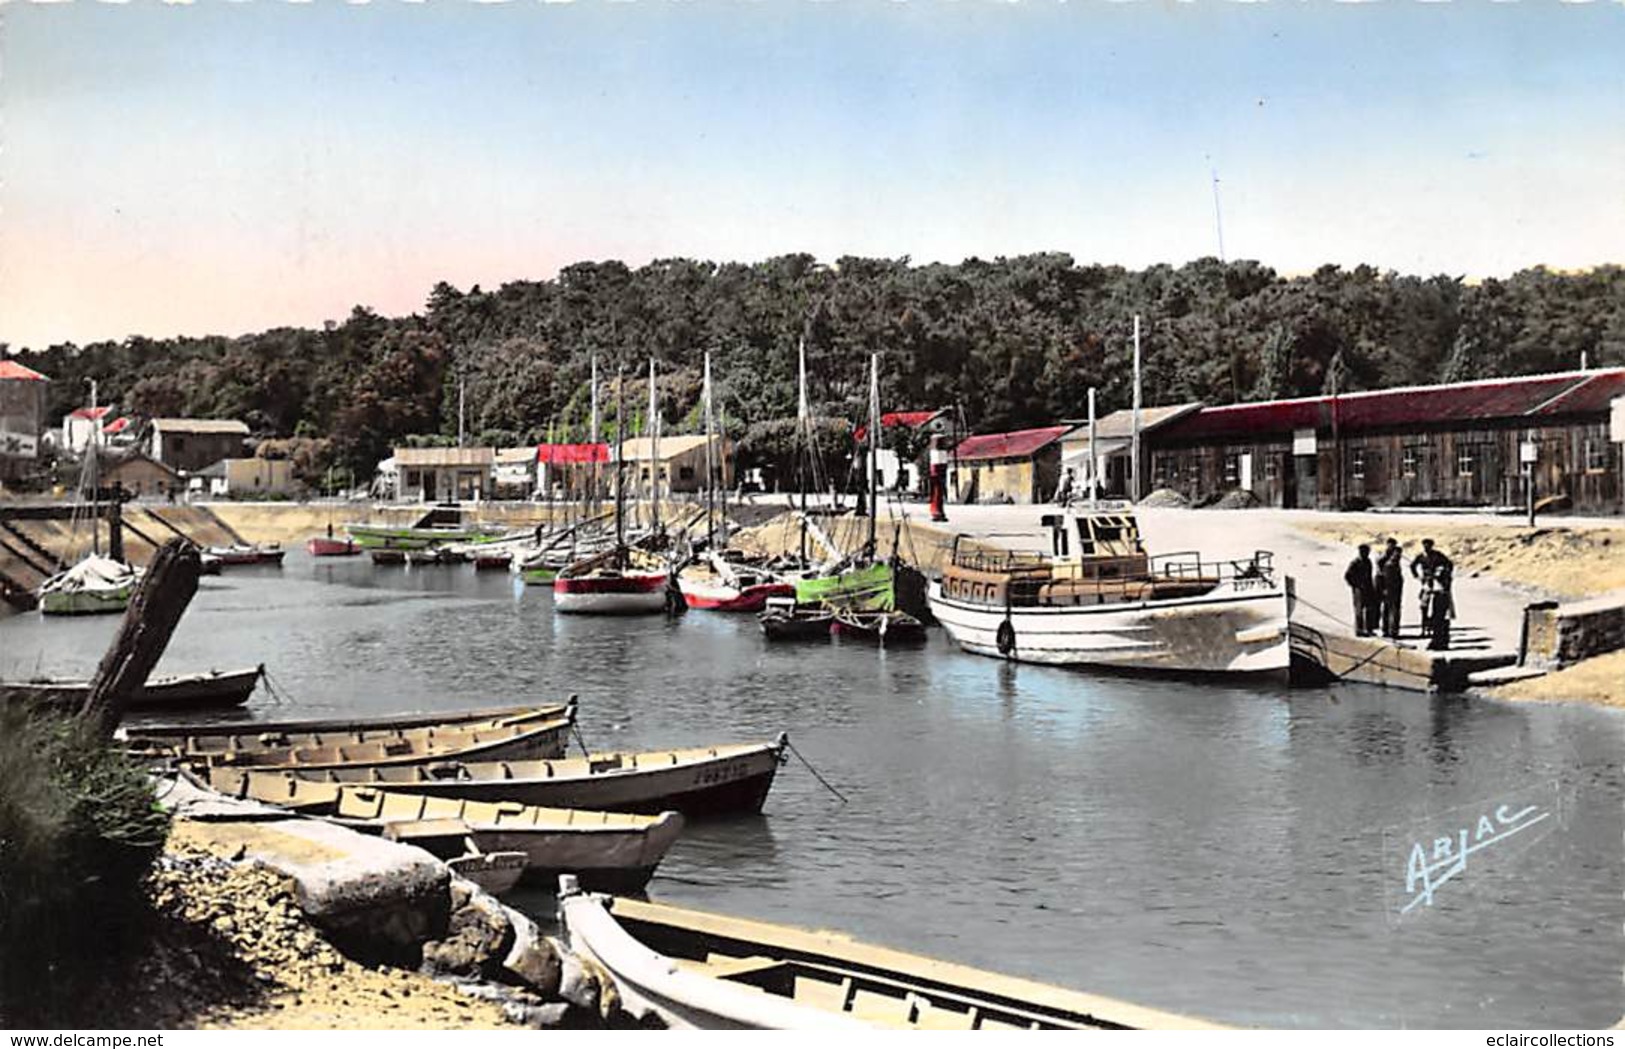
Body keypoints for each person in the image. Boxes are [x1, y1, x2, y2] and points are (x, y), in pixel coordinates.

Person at [1410, 538, 1455, 650]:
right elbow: (1412, 566)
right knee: (1424, 607)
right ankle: (1425, 628)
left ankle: (1437, 637)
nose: (1426, 547)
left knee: (1438, 615)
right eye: (1425, 545)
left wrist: (1439, 574)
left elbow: (1449, 564)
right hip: (1427, 583)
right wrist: (1418, 576)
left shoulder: (1438, 555)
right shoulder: (1421, 556)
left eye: (1428, 545)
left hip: (1438, 588)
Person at [1343, 543, 1377, 637]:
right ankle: (1359, 630)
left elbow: (1369, 577)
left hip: (1368, 589)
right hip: (1359, 591)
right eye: (1364, 552)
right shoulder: (1355, 563)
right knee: (1359, 611)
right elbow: (1347, 576)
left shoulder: (1368, 562)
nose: (1366, 553)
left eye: (1367, 552)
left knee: (1369, 610)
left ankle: (1368, 629)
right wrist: (1356, 585)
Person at [1376, 538, 1405, 640]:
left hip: (1396, 591)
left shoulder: (1395, 564)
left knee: (1393, 610)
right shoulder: (1388, 564)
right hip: (1388, 590)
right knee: (1388, 610)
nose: (1398, 556)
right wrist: (1384, 589)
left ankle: (1392, 630)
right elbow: (1383, 576)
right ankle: (1387, 630)